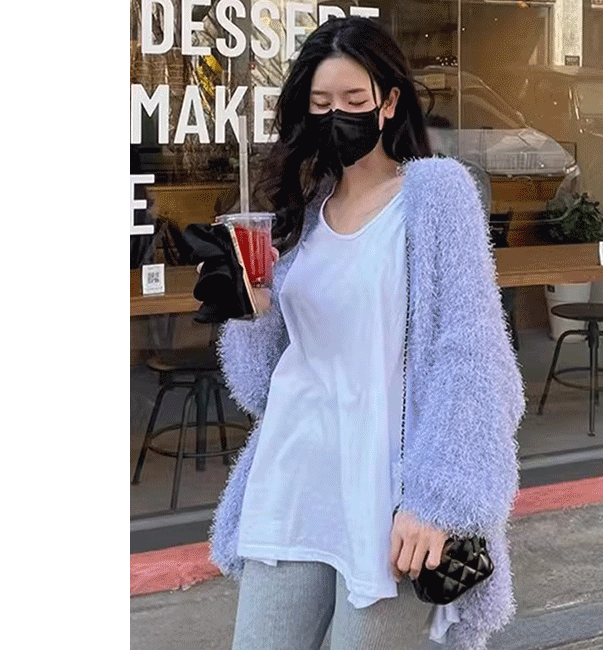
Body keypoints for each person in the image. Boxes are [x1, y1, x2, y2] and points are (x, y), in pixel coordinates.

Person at [208, 16, 525, 650]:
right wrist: (247, 311)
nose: (337, 116)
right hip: (291, 484)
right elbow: (264, 386)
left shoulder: (435, 197)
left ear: (389, 102)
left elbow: (472, 356)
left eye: (354, 100)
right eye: (321, 102)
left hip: (387, 500)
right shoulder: (300, 212)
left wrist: (439, 500)